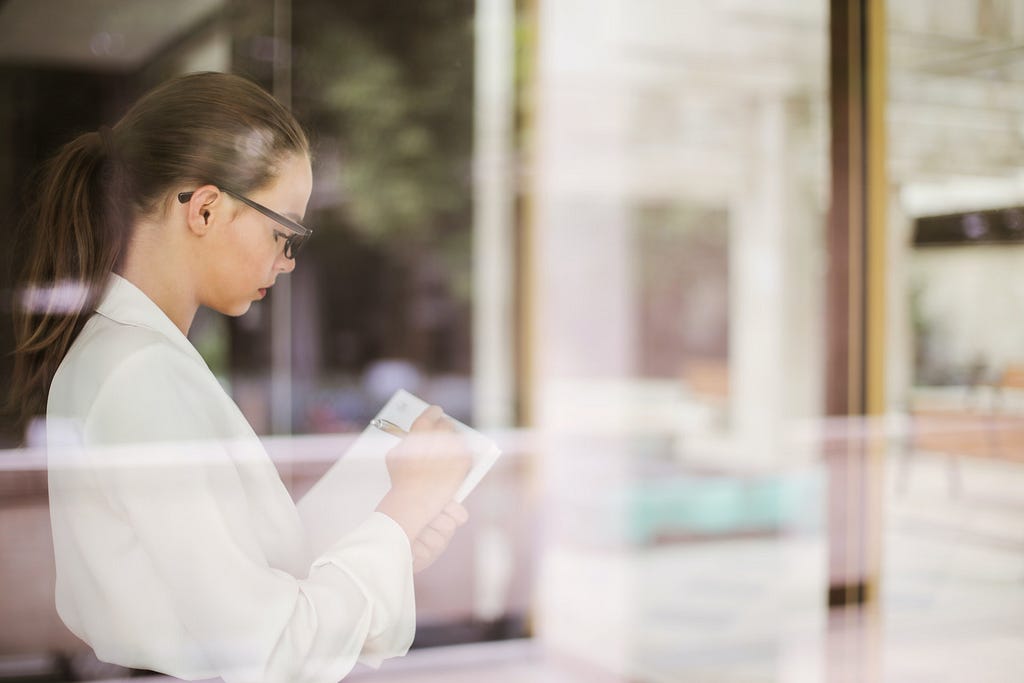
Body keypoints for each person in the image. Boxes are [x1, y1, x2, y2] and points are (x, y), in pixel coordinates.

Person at [9, 71, 472, 683]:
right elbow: (270, 651)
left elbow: (245, 599)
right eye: (284, 232)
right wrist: (406, 504)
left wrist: (392, 536)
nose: (286, 263)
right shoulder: (140, 372)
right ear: (204, 208)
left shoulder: (135, 356)